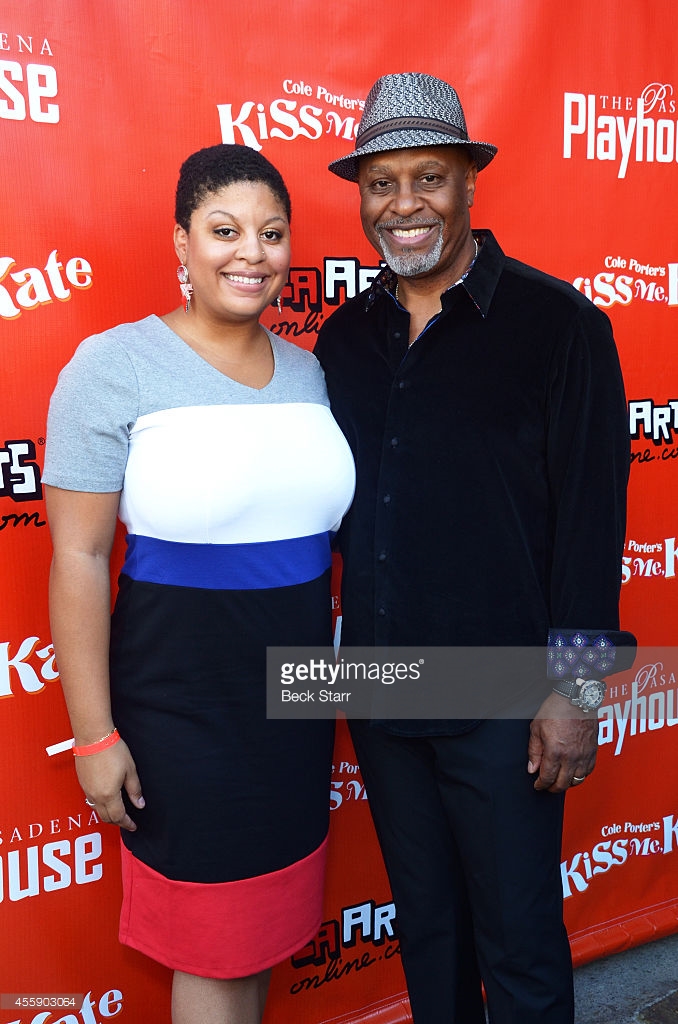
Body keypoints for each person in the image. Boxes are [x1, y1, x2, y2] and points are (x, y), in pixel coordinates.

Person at [314, 73, 631, 1024]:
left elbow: (589, 524)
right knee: (431, 933)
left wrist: (574, 695)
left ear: (468, 186)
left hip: (505, 696)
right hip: (381, 683)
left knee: (521, 942)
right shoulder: (344, 338)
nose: (404, 204)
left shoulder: (560, 327)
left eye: (429, 178)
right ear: (361, 197)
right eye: (381, 183)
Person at [43, 143, 355, 1024]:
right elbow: (78, 557)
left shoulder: (309, 372)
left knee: (259, 944)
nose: (249, 253)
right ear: (181, 243)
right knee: (212, 956)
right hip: (183, 715)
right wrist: (93, 736)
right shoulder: (111, 367)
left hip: (294, 712)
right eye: (223, 231)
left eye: (270, 232)